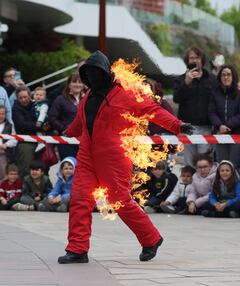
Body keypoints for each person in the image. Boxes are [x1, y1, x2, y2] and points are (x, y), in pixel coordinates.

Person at [57, 50, 194, 264]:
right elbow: (81, 122)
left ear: (106, 73)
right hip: (86, 157)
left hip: (114, 157)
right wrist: (69, 131)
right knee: (79, 200)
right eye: (88, 73)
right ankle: (77, 249)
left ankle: (151, 238)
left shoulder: (125, 94)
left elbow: (152, 110)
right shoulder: (87, 96)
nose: (92, 77)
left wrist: (178, 125)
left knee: (120, 201)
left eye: (96, 72)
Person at [173, 46, 217, 166]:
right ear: (187, 61)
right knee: (189, 164)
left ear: (202, 59)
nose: (194, 60)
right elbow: (176, 99)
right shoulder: (181, 79)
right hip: (187, 128)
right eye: (191, 58)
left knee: (205, 163)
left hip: (206, 127)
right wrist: (187, 82)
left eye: (197, 57)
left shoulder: (212, 79)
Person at [208, 65, 240, 165]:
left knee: (234, 164)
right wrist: (219, 126)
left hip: (236, 133)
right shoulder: (215, 92)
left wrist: (227, 126)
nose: (226, 77)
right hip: (219, 133)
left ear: (233, 76)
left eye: (228, 75)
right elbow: (211, 112)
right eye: (223, 75)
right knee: (222, 164)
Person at [48, 73, 84, 160]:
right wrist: (64, 129)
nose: (77, 84)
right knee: (68, 169)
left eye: (80, 82)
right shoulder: (60, 99)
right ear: (69, 84)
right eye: (74, 82)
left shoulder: (87, 98)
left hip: (83, 140)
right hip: (66, 140)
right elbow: (52, 117)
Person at [12, 86, 42, 178]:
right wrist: (37, 125)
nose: (23, 100)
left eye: (25, 97)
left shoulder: (37, 105)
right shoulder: (16, 109)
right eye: (20, 98)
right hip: (25, 143)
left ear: (30, 96)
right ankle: (25, 191)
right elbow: (21, 124)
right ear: (17, 98)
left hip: (40, 140)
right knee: (26, 170)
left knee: (42, 169)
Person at [33, 86, 49, 152]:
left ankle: (41, 143)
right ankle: (41, 143)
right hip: (38, 121)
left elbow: (43, 113)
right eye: (36, 95)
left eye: (41, 95)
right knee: (38, 132)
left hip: (43, 122)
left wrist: (40, 121)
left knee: (39, 132)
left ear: (44, 97)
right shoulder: (35, 103)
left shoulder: (44, 105)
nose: (38, 96)